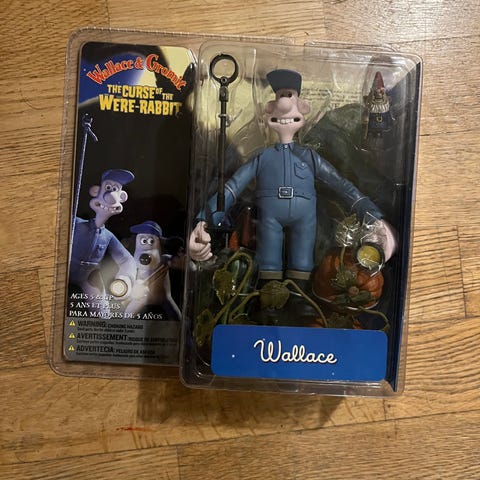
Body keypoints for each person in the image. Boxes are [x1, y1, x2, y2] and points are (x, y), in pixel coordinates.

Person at [189, 69, 396, 286]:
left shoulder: (309, 156)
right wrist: (204, 219)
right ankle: (269, 295)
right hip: (270, 215)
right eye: (280, 99)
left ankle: (299, 293)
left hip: (305, 217)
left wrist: (371, 213)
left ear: (303, 111)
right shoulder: (263, 157)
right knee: (268, 262)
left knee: (302, 262)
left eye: (291, 100)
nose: (286, 110)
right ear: (269, 112)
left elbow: (342, 185)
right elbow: (232, 188)